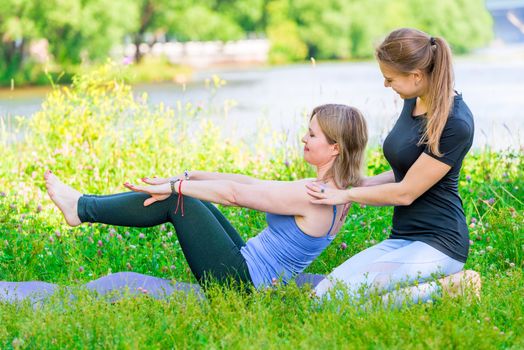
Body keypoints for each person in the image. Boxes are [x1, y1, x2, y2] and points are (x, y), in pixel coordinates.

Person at [44, 104, 368, 290]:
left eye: (312, 134)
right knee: (189, 196)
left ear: (335, 147)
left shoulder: (311, 194)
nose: (304, 138)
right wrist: (191, 177)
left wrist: (174, 188)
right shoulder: (339, 191)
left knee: (177, 201)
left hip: (241, 284)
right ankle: (83, 206)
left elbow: (235, 195)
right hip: (251, 271)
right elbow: (252, 182)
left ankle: (81, 208)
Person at [306, 28, 480, 304]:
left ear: (416, 76)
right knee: (322, 297)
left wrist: (347, 195)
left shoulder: (455, 123)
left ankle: (454, 287)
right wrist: (362, 183)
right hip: (402, 238)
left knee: (338, 305)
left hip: (440, 244)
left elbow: (406, 191)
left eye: (390, 78)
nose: (386, 85)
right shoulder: (414, 99)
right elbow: (409, 170)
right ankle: (436, 289)